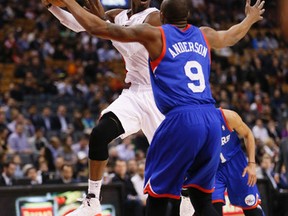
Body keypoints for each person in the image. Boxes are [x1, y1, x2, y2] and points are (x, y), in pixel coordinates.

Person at [46, 0, 264, 215]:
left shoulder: (152, 26)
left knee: (165, 191)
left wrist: (70, 3)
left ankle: (186, 201)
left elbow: (98, 28)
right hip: (153, 97)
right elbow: (231, 35)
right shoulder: (200, 33)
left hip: (167, 102)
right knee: (100, 134)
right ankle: (93, 199)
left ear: (162, 16)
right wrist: (250, 19)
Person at [212, 108, 265, 216]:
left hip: (236, 164)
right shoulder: (195, 125)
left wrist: (251, 164)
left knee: (252, 209)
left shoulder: (228, 116)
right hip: (213, 169)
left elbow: (248, 134)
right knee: (212, 210)